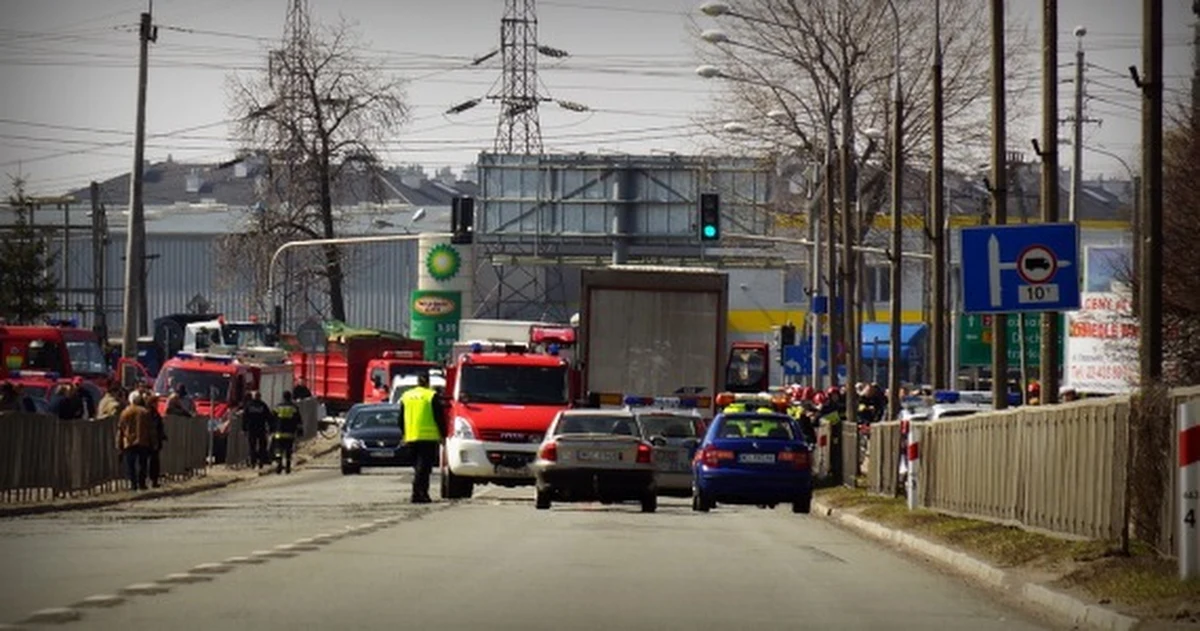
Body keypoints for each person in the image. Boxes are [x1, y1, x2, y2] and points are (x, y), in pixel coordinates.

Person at [397, 374, 445, 503]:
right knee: (424, 468)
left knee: (418, 467)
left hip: (411, 437)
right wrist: (443, 434)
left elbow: (400, 419)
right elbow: (439, 417)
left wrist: (404, 434)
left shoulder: (406, 396)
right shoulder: (431, 396)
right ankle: (418, 493)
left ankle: (422, 493)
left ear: (417, 382)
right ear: (427, 382)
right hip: (428, 438)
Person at [117, 391, 155, 490]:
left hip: (129, 441)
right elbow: (150, 429)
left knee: (131, 465)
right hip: (143, 441)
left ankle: (133, 484)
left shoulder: (125, 412)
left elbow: (121, 429)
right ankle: (142, 484)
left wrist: (119, 444)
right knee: (142, 464)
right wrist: (154, 442)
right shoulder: (145, 412)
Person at [270, 391, 302, 474]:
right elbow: (298, 421)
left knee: (278, 450)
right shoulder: (294, 408)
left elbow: (272, 419)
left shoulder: (277, 407)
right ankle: (288, 466)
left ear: (283, 397)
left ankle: (279, 463)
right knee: (288, 450)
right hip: (290, 433)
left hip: (279, 433)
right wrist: (299, 431)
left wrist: (271, 429)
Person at [241, 391, 274, 469]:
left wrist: (244, 428)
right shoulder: (263, 405)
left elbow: (245, 417)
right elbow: (269, 417)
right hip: (260, 428)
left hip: (252, 429)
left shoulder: (249, 405)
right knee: (262, 446)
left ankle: (253, 462)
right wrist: (271, 427)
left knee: (252, 446)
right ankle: (260, 461)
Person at [143, 390, 167, 488]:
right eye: (156, 402)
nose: (157, 404)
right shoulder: (148, 413)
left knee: (154, 462)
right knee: (149, 462)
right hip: (150, 441)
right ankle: (149, 480)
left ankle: (154, 480)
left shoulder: (155, 413)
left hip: (154, 440)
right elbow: (152, 427)